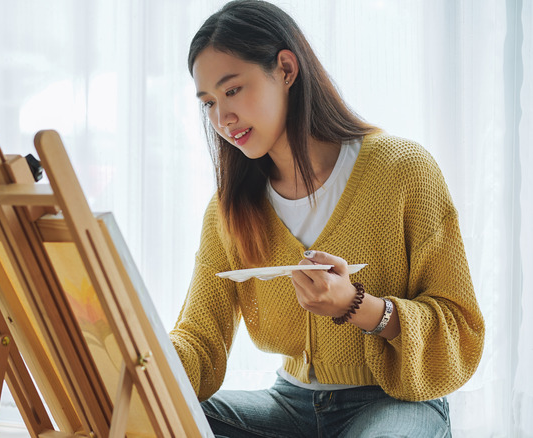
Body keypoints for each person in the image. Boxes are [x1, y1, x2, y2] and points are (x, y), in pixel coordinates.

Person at [168, 1, 485, 436]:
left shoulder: (403, 170)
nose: (222, 119)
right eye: (208, 103)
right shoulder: (230, 209)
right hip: (288, 406)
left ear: (285, 69)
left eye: (233, 90)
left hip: (393, 403)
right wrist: (134, 353)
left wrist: (358, 307)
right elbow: (200, 342)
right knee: (162, 421)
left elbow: (459, 328)